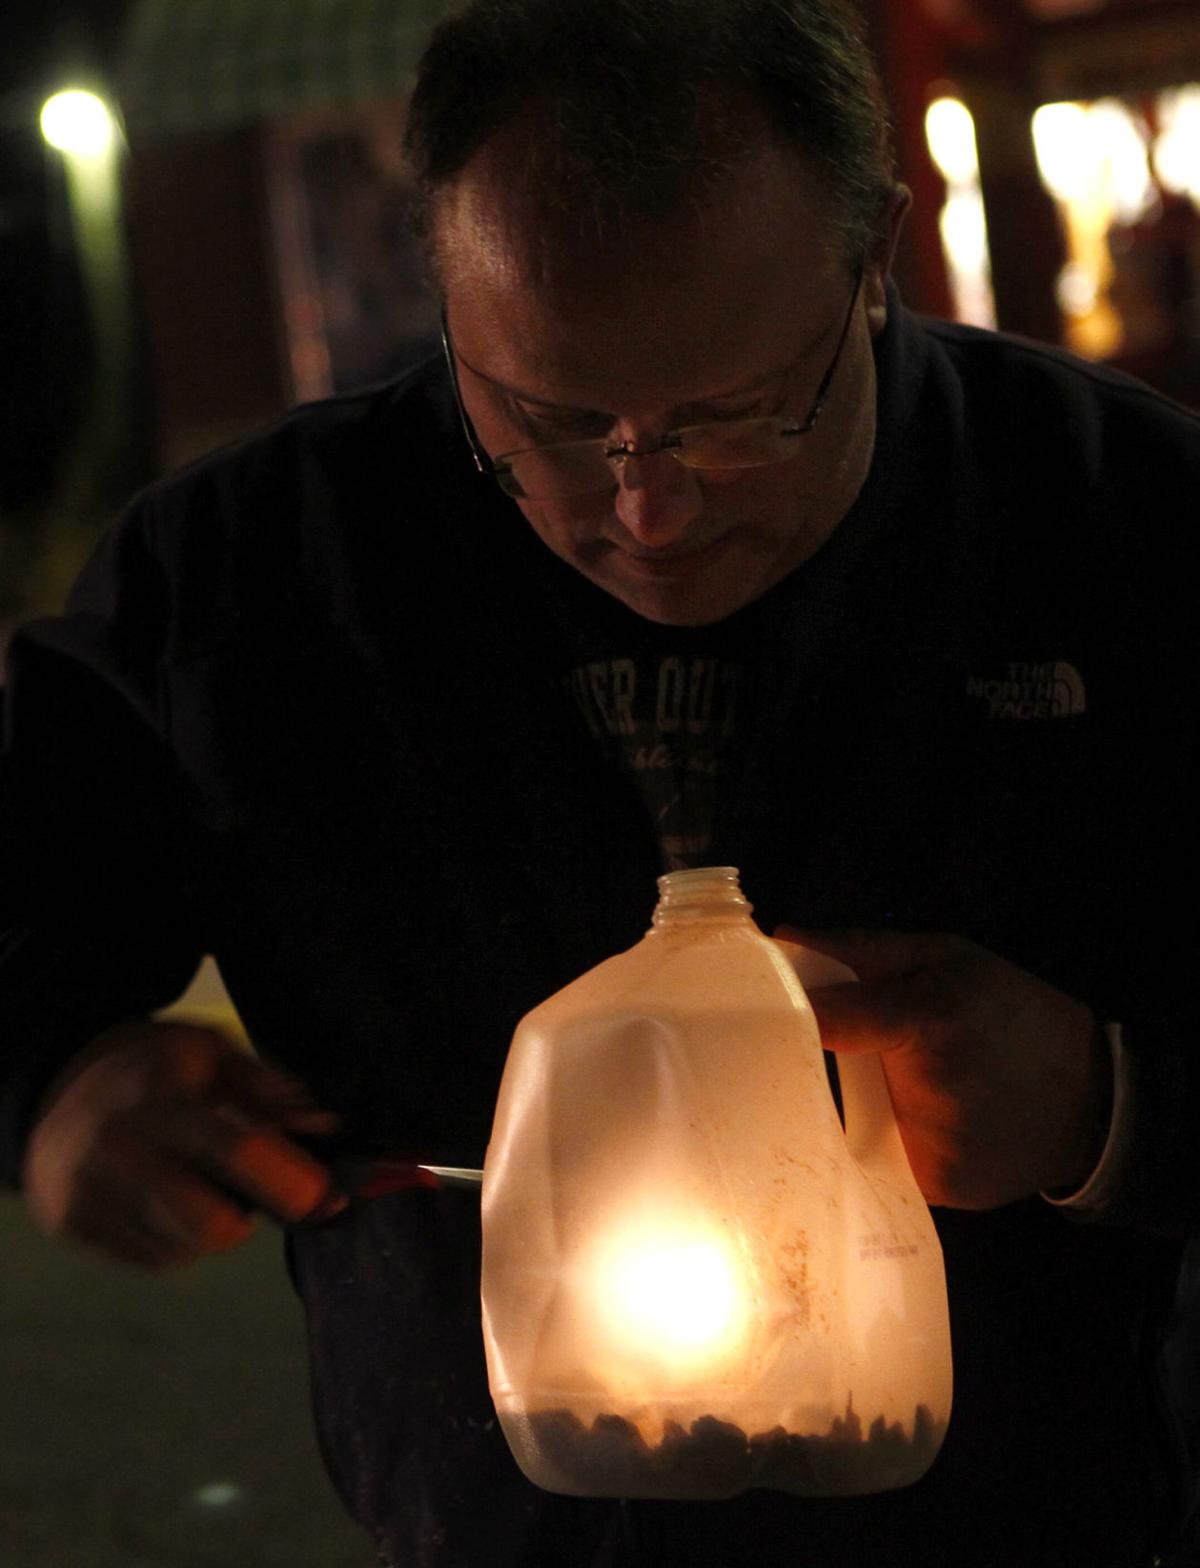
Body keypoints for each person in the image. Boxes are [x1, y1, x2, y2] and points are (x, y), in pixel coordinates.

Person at [2, 0, 1198, 1563]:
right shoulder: (249, 584)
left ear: (876, 255)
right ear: (441, 282)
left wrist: (1114, 1101)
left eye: (742, 415)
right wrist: (58, 1085)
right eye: (552, 423)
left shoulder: (1127, 526)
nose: (647, 510)